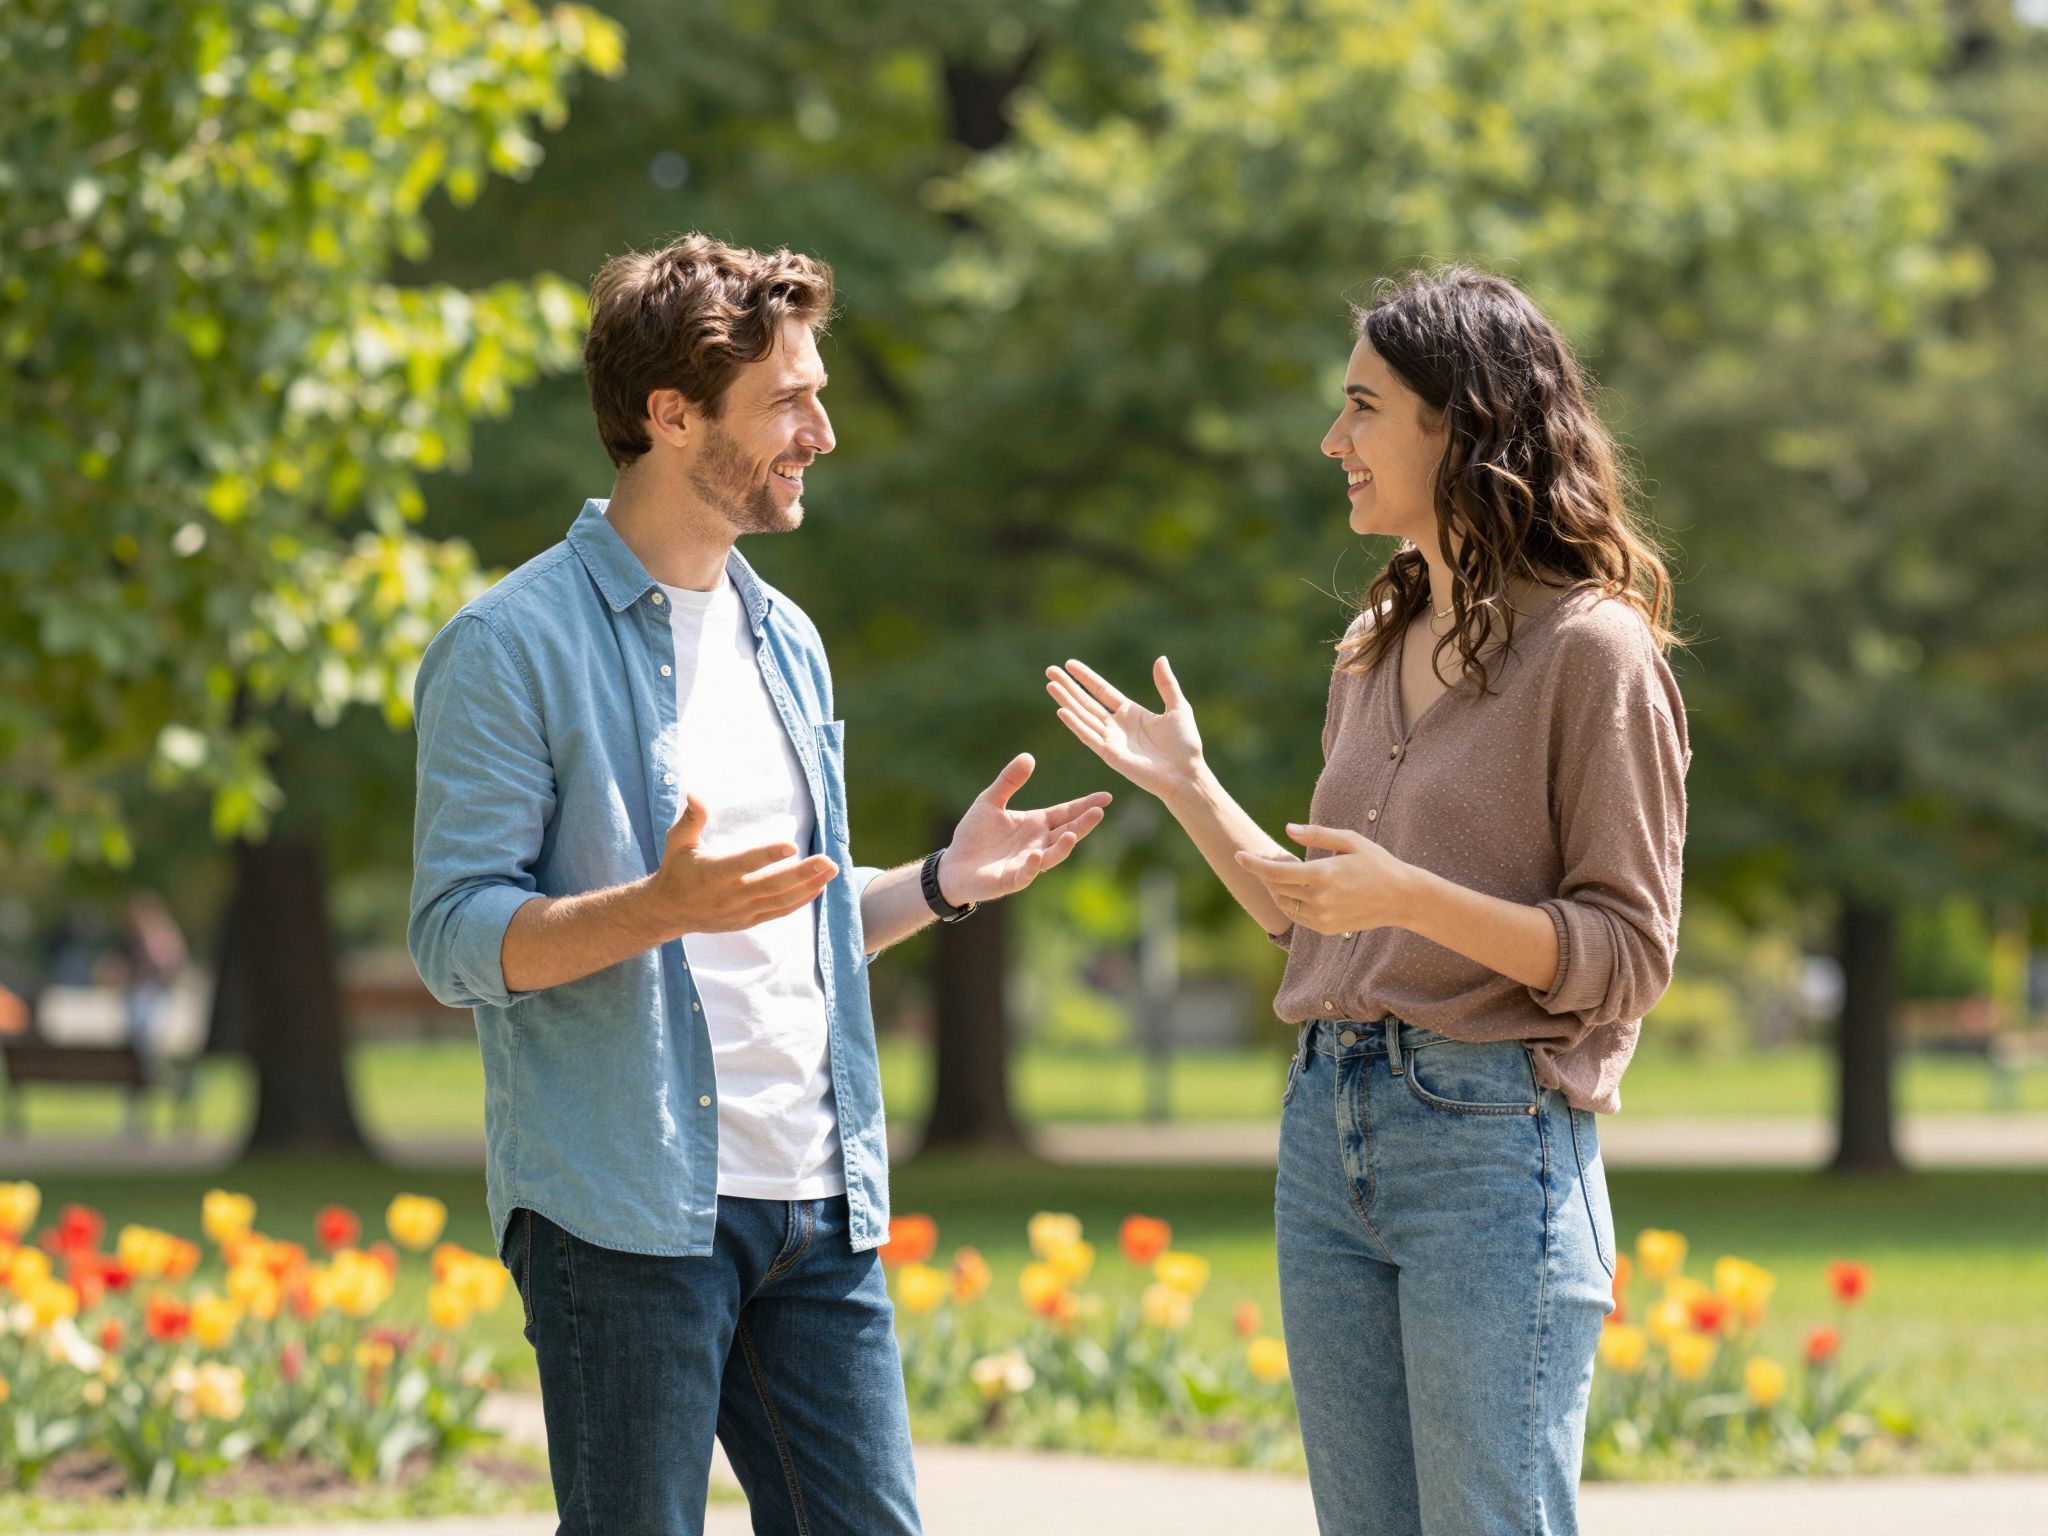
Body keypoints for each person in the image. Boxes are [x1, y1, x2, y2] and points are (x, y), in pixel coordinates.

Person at [408, 233, 1110, 1536]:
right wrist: (651, 911)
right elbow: (454, 940)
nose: (823, 433)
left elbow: (790, 920)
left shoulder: (787, 639)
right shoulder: (508, 645)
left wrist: (943, 885)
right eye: (790, 401)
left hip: (816, 1205)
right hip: (622, 1215)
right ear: (671, 416)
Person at [1046, 267, 1687, 1536]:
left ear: (1458, 424)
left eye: (1361, 408)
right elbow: (1313, 917)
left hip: (1489, 1143)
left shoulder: (1591, 651)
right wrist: (1189, 788)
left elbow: (1627, 953)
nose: (1332, 441)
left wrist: (1414, 897)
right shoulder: (1374, 645)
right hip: (1325, 1126)